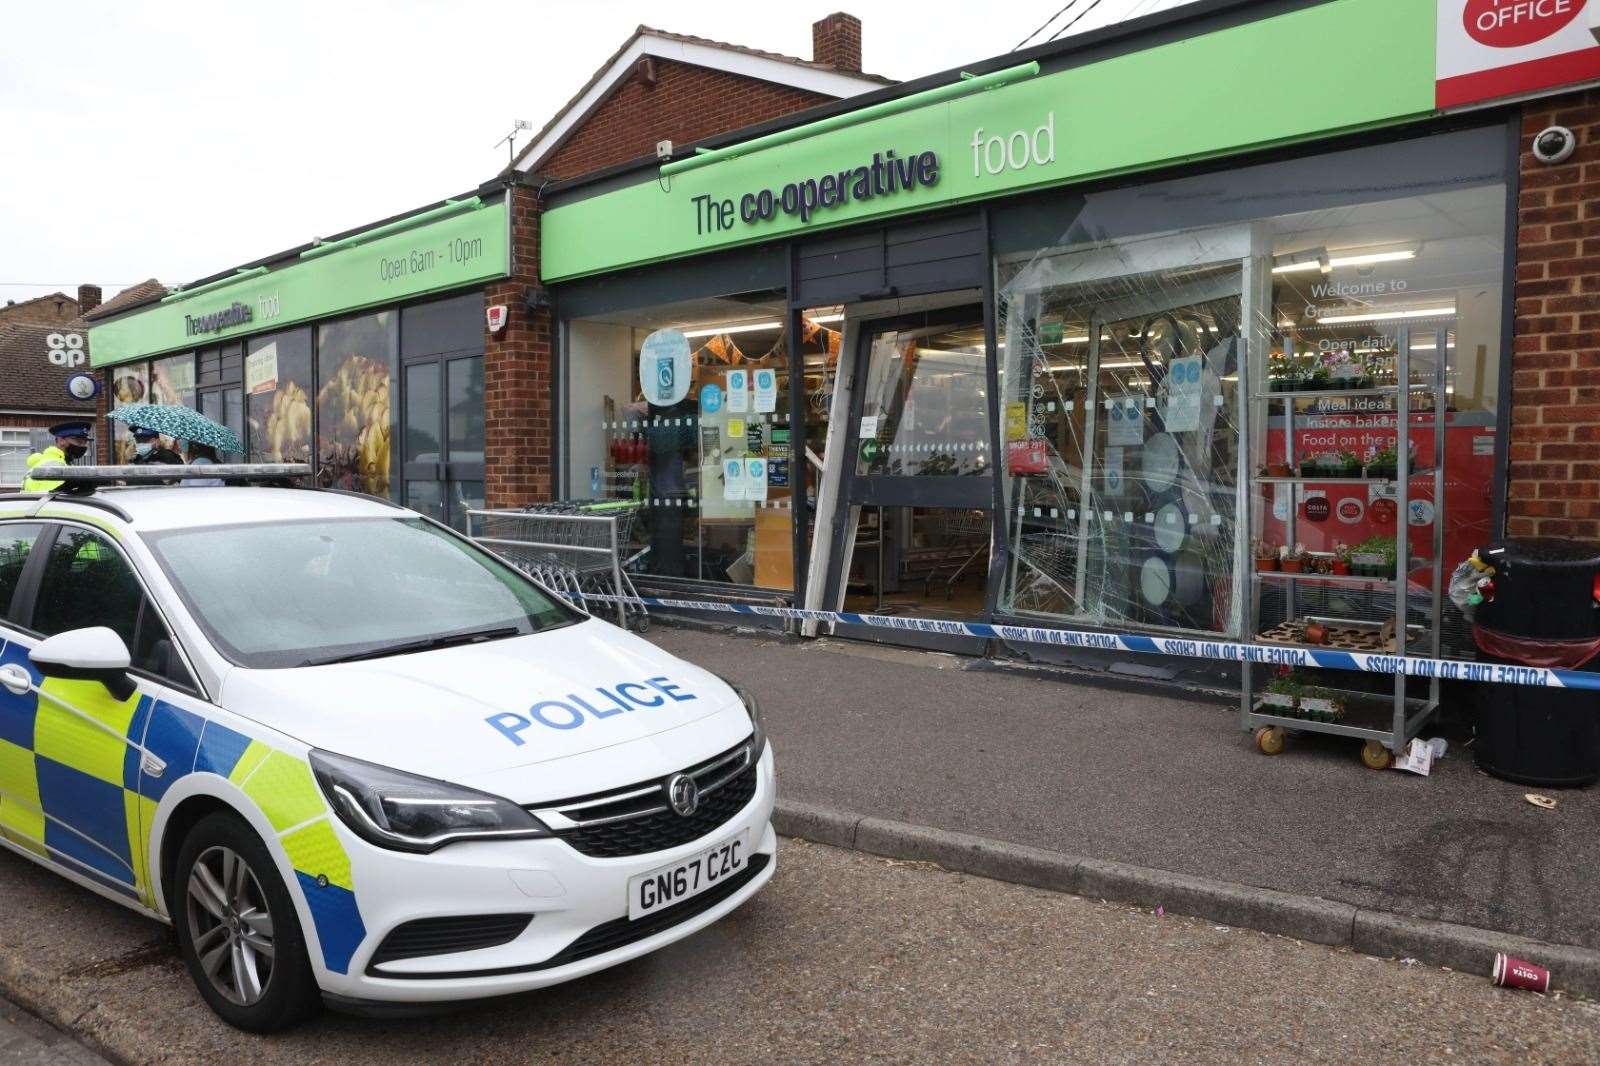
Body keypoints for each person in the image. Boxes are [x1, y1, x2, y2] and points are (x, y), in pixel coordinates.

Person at [21, 421, 91, 492]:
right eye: (79, 442)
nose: (83, 446)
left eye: (85, 443)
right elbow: (57, 499)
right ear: (61, 440)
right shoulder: (55, 467)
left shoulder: (50, 462)